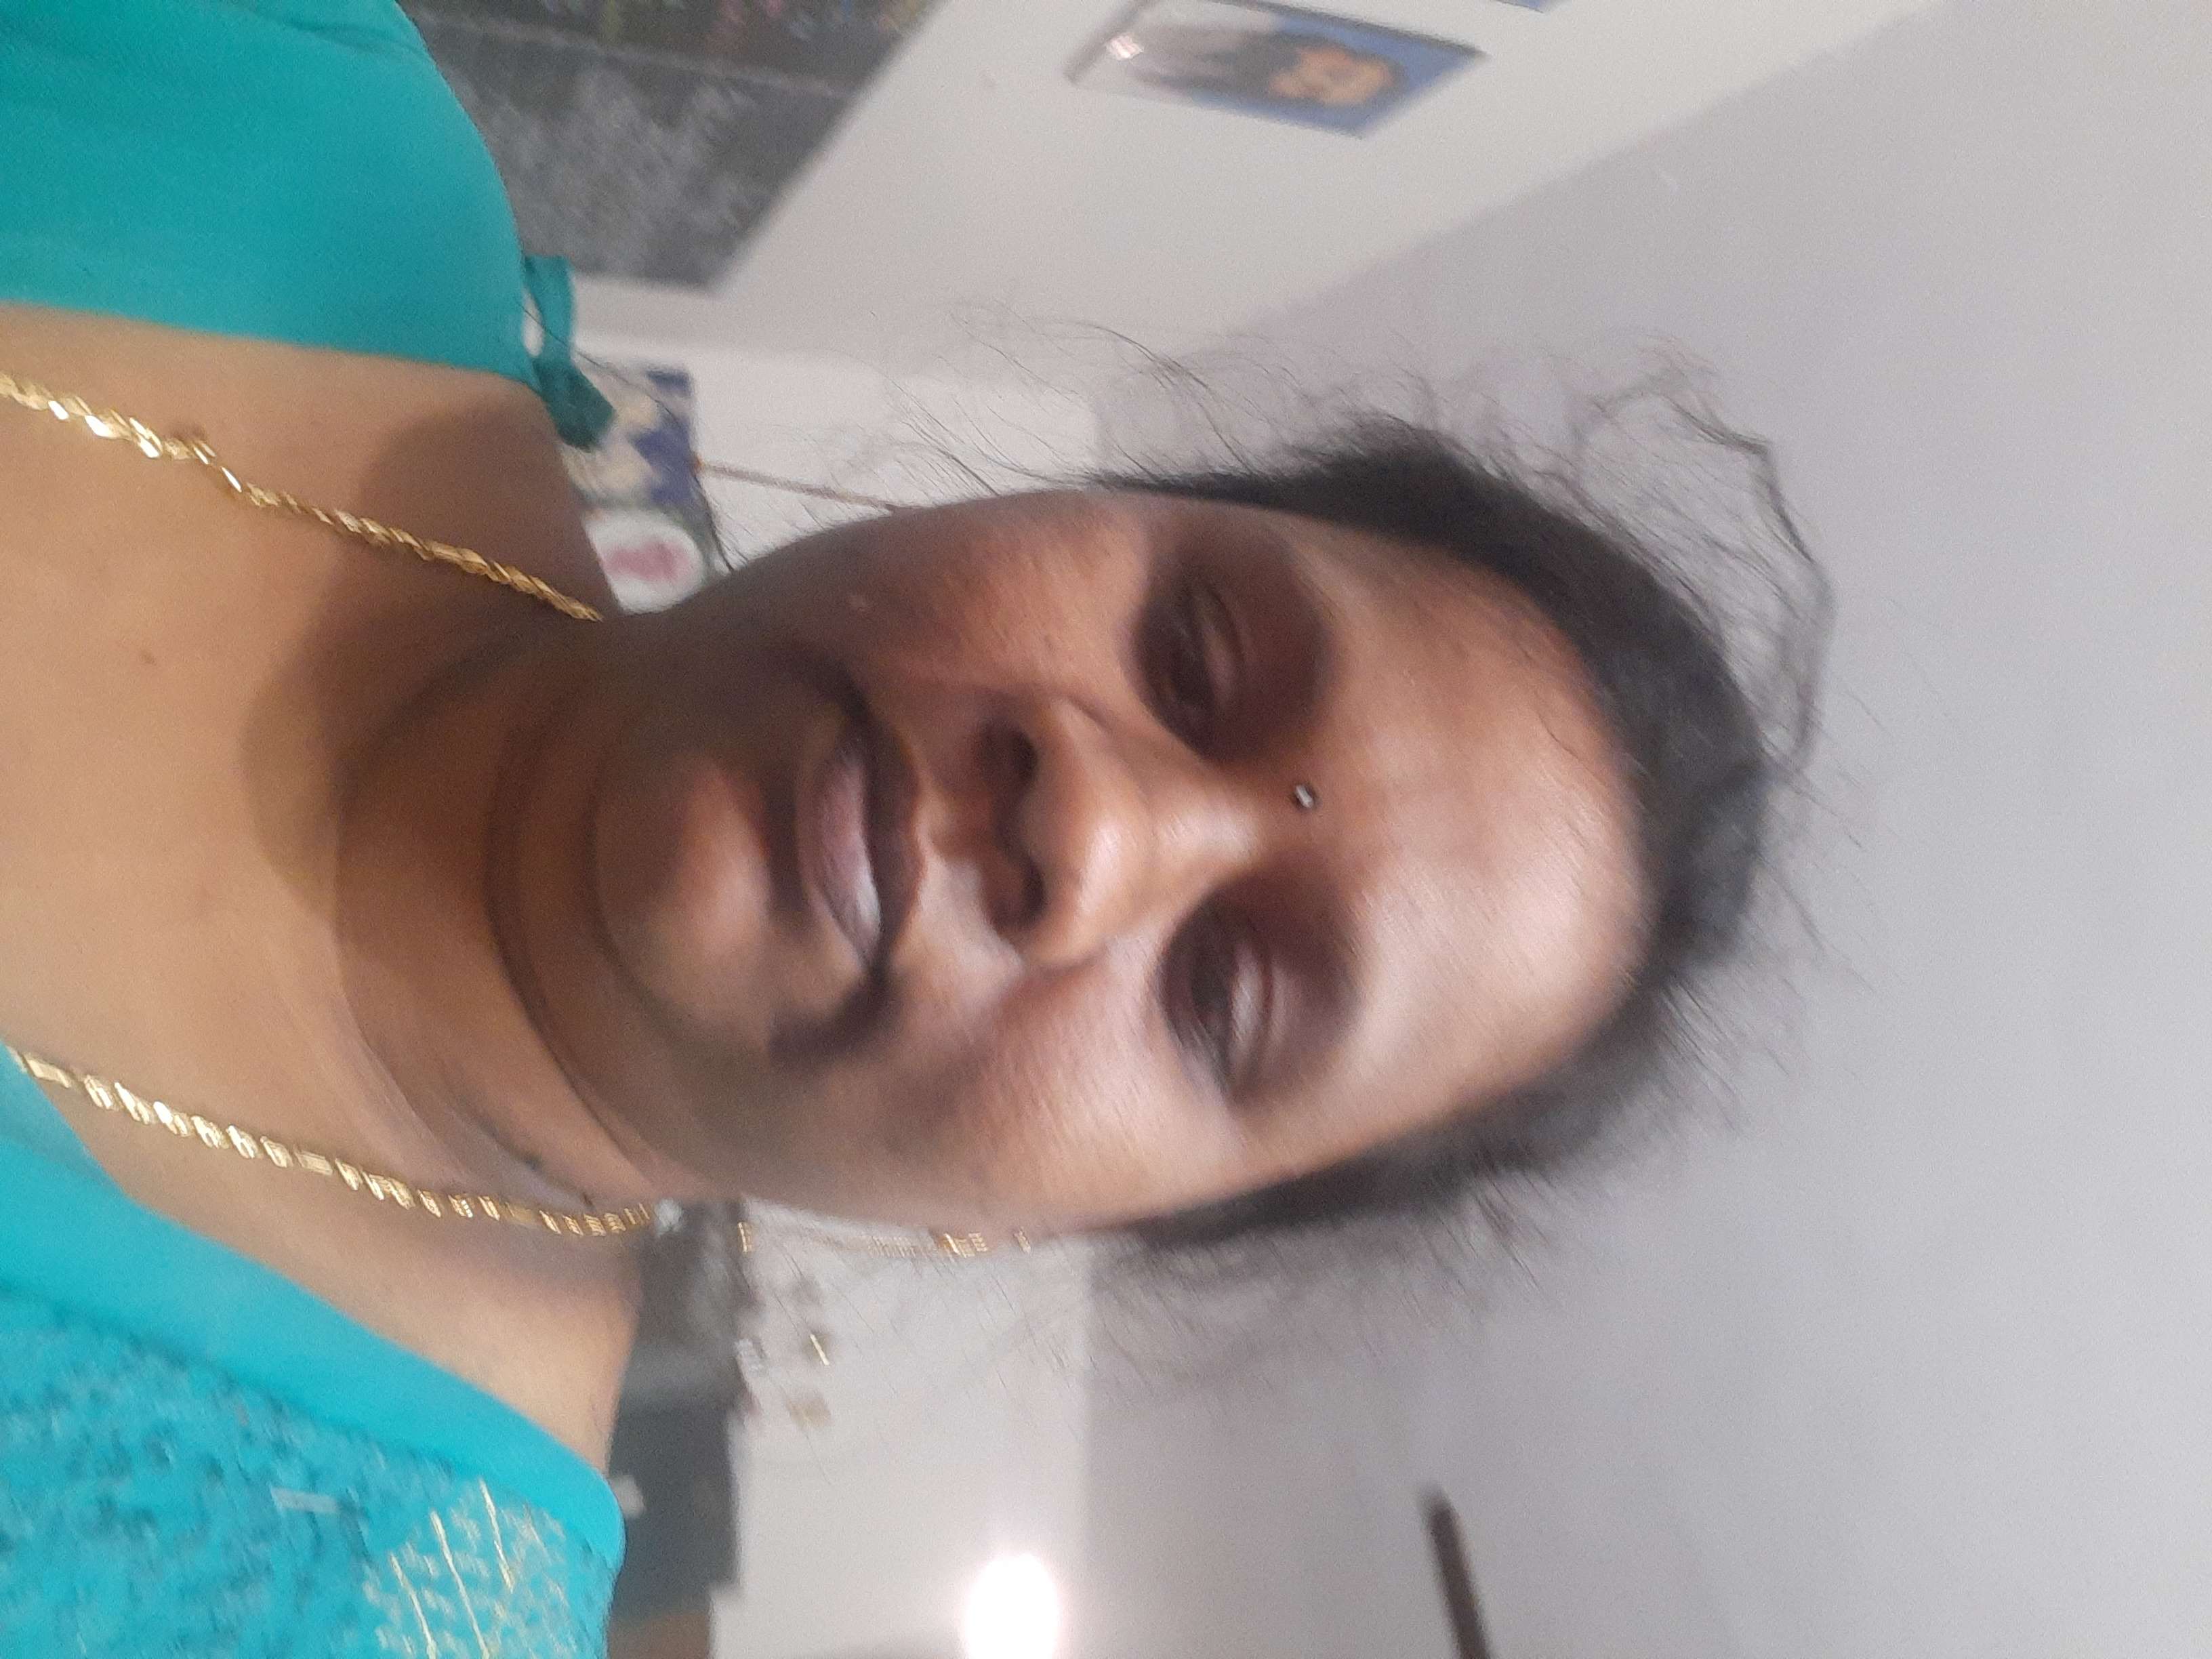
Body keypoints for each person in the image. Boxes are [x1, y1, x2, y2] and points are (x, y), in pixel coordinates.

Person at [0, 1, 1818, 1652]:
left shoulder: (354, 1590)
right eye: (1195, 652)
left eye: (1226, 998)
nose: (1094, 829)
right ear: (1064, 504)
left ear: (1071, 1216)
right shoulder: (288, 103)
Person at [1120, 17, 1407, 111]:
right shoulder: (1345, 59)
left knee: (1197, 66)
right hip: (1259, 55)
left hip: (1258, 72)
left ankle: (1134, 53)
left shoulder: (1357, 90)